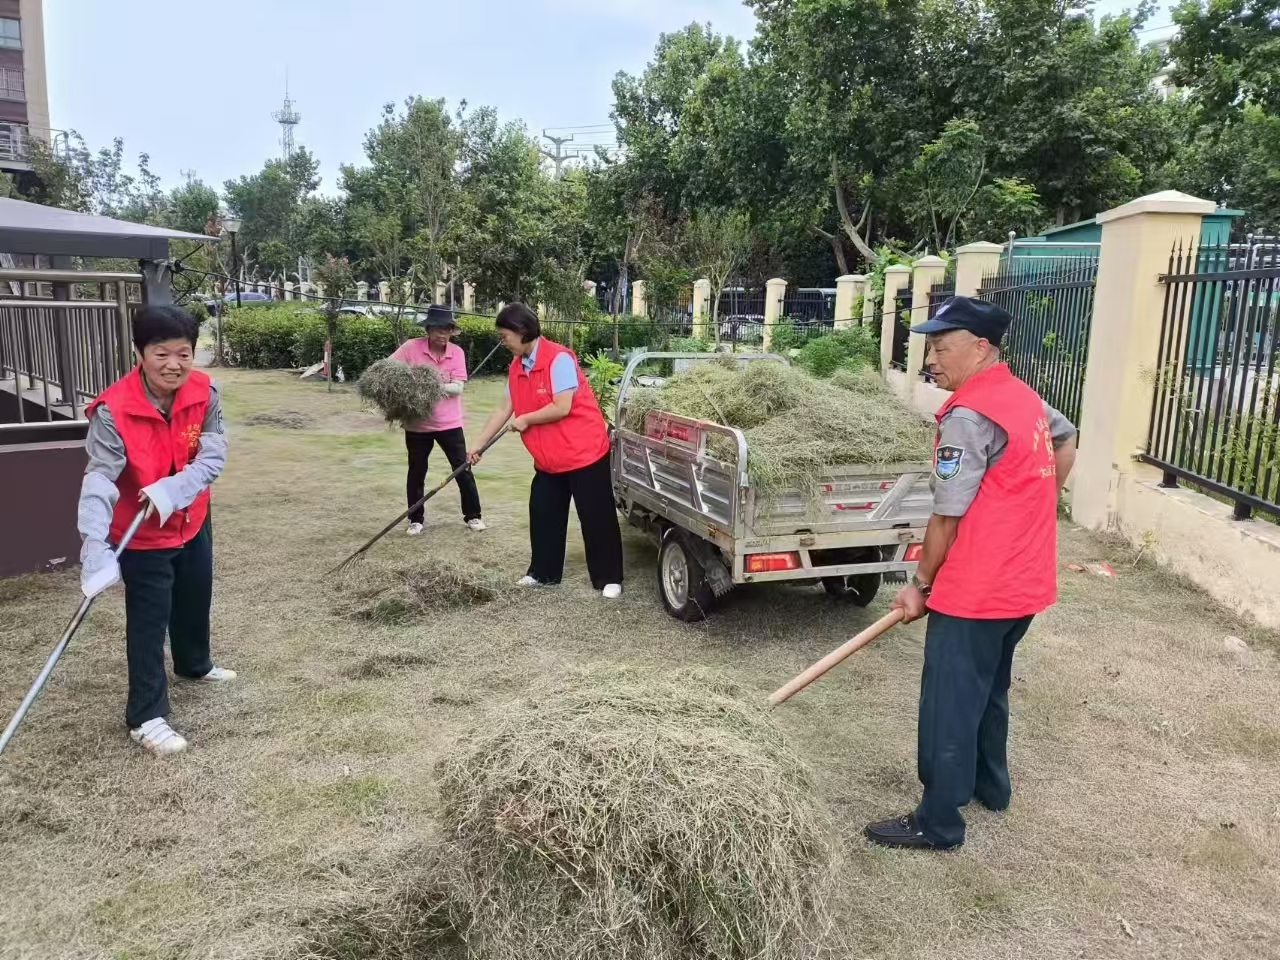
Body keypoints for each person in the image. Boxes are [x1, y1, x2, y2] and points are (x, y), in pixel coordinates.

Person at [863, 296, 1077, 851]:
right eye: (929, 346)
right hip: (1023, 585)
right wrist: (1037, 503)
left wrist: (920, 585)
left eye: (941, 346)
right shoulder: (1019, 394)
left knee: (949, 702)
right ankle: (991, 787)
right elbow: (1065, 436)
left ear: (980, 347)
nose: (931, 358)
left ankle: (937, 822)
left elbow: (946, 514)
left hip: (977, 589)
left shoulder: (967, 414)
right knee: (989, 688)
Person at [78, 305, 234, 757]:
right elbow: (100, 481)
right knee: (148, 622)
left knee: (194, 593)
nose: (174, 364)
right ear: (140, 353)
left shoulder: (205, 392)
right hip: (141, 533)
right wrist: (94, 545)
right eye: (161, 353)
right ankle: (145, 715)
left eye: (183, 353)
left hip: (191, 518)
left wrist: (175, 489)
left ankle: (194, 664)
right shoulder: (112, 410)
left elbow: (211, 458)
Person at [468, 303, 624, 599]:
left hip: (583, 452)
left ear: (522, 331)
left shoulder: (558, 359)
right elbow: (504, 408)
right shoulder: (517, 366)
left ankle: (609, 578)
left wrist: (526, 419)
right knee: (543, 513)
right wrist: (478, 444)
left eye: (505, 336)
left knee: (595, 516)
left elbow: (561, 406)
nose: (503, 342)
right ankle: (543, 572)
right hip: (549, 458)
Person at [388, 304, 485, 536]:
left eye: (447, 330)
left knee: (463, 469)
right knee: (417, 471)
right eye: (438, 329)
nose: (442, 334)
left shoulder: (457, 353)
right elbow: (389, 369)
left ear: (452, 331)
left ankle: (473, 516)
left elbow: (457, 388)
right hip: (417, 424)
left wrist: (429, 386)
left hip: (449, 424)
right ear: (428, 330)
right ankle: (415, 519)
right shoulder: (411, 348)